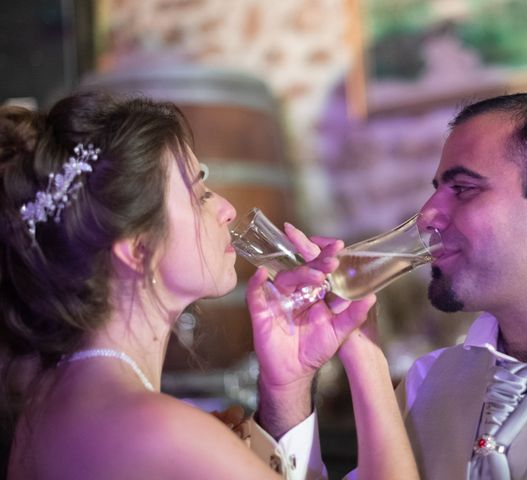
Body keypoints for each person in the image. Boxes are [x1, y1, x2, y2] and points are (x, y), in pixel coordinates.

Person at [0, 91, 419, 479]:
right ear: (136, 248)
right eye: (200, 194)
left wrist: (285, 386)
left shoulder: (48, 402)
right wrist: (365, 353)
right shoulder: (162, 433)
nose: (226, 209)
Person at [247, 91, 527, 479]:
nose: (427, 215)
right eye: (437, 189)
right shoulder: (427, 382)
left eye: (464, 189)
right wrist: (290, 387)